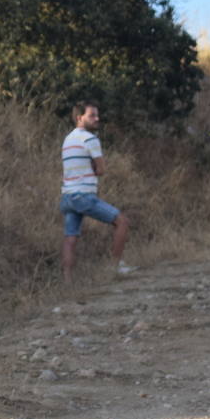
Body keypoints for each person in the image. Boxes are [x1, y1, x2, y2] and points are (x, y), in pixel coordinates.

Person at [60, 101, 131, 285]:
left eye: (97, 115)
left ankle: (67, 281)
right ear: (79, 118)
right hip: (84, 195)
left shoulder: (67, 140)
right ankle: (114, 267)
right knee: (121, 221)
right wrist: (93, 167)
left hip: (67, 196)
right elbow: (101, 169)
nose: (97, 119)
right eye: (92, 115)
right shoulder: (90, 139)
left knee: (70, 238)